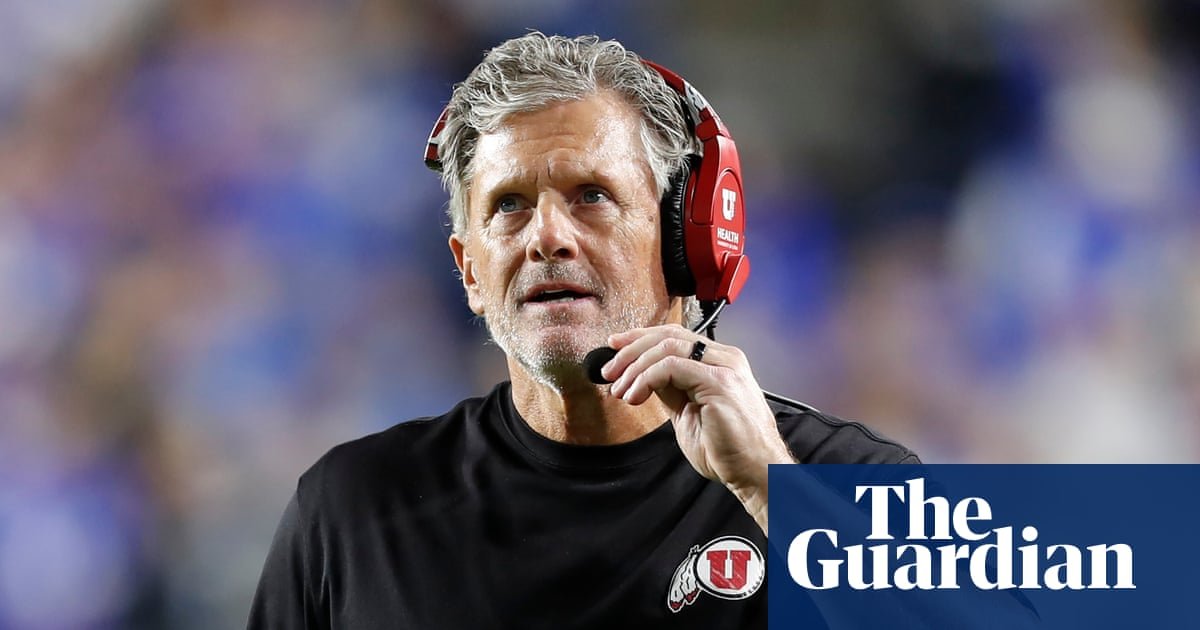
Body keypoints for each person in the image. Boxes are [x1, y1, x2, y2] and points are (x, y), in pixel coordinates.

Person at [248, 32, 918, 629]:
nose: (547, 236)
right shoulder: (350, 510)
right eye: (509, 205)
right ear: (471, 271)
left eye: (591, 196)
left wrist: (770, 490)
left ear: (687, 243)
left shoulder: (858, 482)